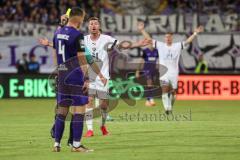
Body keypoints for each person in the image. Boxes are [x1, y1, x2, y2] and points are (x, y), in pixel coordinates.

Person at [52, 7, 106, 152]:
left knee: (62, 111)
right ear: (79, 18)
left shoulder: (57, 33)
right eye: (83, 18)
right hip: (75, 76)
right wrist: (87, 78)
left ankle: (56, 144)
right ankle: (76, 145)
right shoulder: (78, 35)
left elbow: (55, 53)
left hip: (62, 75)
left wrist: (58, 70)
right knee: (79, 111)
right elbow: (82, 59)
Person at [140, 23, 203, 114]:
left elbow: (187, 42)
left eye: (169, 37)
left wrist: (195, 33)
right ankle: (167, 108)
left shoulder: (177, 46)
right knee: (164, 89)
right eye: (166, 37)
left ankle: (170, 106)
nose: (167, 38)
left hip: (174, 73)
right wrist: (142, 30)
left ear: (172, 38)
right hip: (164, 72)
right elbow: (149, 39)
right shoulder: (160, 45)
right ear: (165, 38)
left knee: (173, 92)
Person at [136, 22, 159, 107]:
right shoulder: (145, 51)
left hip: (153, 69)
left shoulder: (156, 51)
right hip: (147, 69)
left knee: (151, 84)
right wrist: (137, 71)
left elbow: (158, 61)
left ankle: (147, 100)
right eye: (148, 41)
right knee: (149, 83)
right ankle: (151, 99)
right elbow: (141, 61)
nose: (149, 43)